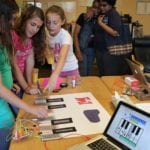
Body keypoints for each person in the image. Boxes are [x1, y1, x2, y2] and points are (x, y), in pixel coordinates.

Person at [0, 0, 48, 149]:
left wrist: (27, 84)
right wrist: (27, 91)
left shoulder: (5, 36)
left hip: (10, 87)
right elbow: (12, 66)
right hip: (6, 96)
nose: (13, 23)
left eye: (38, 27)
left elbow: (26, 63)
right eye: (12, 19)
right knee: (12, 132)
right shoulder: (11, 36)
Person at [11, 5, 46, 96]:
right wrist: (26, 88)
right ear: (24, 21)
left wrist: (29, 84)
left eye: (38, 27)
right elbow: (14, 66)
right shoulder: (14, 37)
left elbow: (30, 62)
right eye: (32, 24)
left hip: (20, 81)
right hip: (8, 81)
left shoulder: (31, 40)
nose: (35, 30)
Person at [44, 5, 79, 92]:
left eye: (55, 23)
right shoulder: (46, 34)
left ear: (62, 21)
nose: (51, 26)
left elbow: (62, 57)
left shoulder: (65, 36)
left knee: (72, 92)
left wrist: (54, 75)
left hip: (71, 69)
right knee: (55, 93)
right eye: (48, 22)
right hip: (56, 69)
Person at [94, 0, 131, 76]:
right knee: (102, 74)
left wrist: (101, 23)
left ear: (111, 5)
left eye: (104, 5)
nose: (102, 7)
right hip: (100, 49)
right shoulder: (103, 14)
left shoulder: (113, 14)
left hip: (109, 50)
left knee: (109, 75)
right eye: (100, 5)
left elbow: (115, 33)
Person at [73, 0, 100, 76]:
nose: (96, 10)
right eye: (95, 7)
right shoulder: (83, 16)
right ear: (91, 7)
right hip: (82, 50)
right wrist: (78, 51)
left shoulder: (99, 19)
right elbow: (75, 34)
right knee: (83, 73)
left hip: (93, 50)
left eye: (98, 8)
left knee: (89, 73)